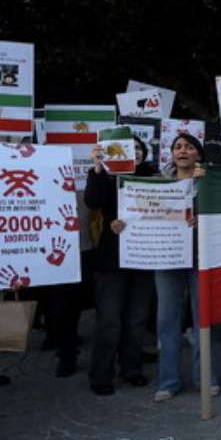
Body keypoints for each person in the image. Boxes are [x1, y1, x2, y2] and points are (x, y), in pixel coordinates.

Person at [85, 136, 157, 395]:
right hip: (111, 258)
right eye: (130, 148)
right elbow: (93, 201)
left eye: (139, 148)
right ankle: (101, 375)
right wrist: (97, 167)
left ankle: (132, 369)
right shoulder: (105, 175)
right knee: (109, 320)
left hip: (144, 257)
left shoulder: (154, 177)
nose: (135, 152)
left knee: (137, 318)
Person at [153, 133, 219, 402]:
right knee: (166, 319)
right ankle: (168, 382)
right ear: (171, 154)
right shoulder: (156, 183)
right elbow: (141, 214)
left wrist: (204, 211)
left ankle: (206, 377)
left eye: (189, 147)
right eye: (178, 147)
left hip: (201, 257)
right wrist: (124, 224)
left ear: (198, 154)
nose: (182, 151)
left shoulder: (209, 182)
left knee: (203, 317)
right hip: (167, 257)